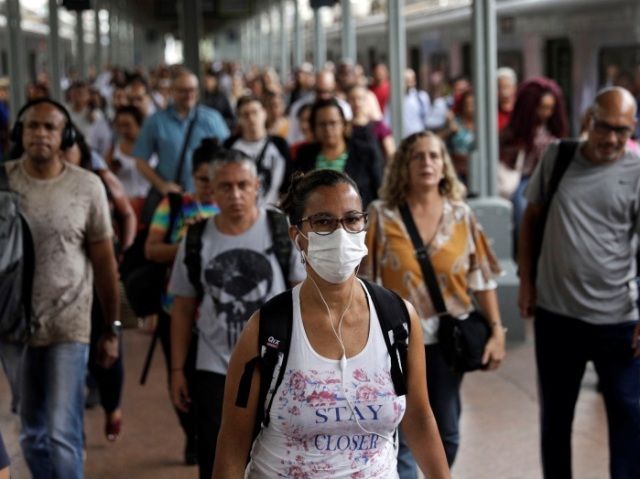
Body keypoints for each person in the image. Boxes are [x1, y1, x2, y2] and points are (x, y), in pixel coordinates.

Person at [212, 168, 451, 478]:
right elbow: (232, 443)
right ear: (297, 236)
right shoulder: (268, 329)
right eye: (323, 222)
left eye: (351, 219)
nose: (341, 233)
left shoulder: (398, 320)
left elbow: (419, 418)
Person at [361, 131, 505, 475]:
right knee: (405, 436)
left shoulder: (461, 215)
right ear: (403, 167)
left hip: (446, 344)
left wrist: (497, 330)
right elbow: (365, 281)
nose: (427, 163)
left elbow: (481, 279)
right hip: (395, 343)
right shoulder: (382, 215)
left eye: (434, 156)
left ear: (444, 167)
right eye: (418, 156)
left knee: (449, 433)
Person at [518, 86, 640, 479]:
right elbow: (531, 220)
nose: (611, 139)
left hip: (618, 319)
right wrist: (526, 284)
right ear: (589, 119)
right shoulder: (558, 156)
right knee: (555, 420)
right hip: (558, 316)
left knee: (629, 420)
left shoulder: (637, 173)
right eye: (604, 127)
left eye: (622, 130)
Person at [169, 149, 305, 479]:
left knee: (277, 451)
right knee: (217, 452)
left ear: (257, 186)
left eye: (243, 185)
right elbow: (184, 306)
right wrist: (177, 369)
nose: (235, 194)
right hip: (215, 365)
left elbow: (301, 298)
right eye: (225, 186)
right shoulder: (197, 239)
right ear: (211, 190)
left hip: (276, 362)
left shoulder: (280, 229)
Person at [5, 98, 119, 478]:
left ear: (65, 134)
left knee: (62, 434)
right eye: (32, 126)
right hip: (13, 328)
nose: (40, 134)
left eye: (50, 127)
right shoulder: (3, 182)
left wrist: (111, 327)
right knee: (31, 434)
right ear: (19, 133)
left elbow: (104, 262)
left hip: (69, 326)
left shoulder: (87, 186)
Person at [144, 138, 221, 466]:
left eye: (213, 179)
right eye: (202, 178)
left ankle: (209, 436)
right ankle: (192, 434)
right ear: (193, 177)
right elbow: (152, 249)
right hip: (176, 311)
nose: (209, 186)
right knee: (181, 375)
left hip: (218, 317)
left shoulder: (233, 210)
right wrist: (192, 245)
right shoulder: (174, 206)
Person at [63, 126, 136, 443]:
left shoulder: (100, 180)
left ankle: (112, 407)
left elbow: (127, 215)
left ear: (81, 151)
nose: (61, 156)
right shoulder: (46, 185)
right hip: (66, 285)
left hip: (102, 278)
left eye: (67, 149)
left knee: (108, 342)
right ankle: (72, 425)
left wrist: (123, 252)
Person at [133, 68, 230, 197]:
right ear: (171, 91)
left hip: (207, 197)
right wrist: (161, 184)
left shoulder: (212, 119)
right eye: (183, 90)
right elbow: (140, 160)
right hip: (172, 195)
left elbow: (228, 154)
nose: (189, 94)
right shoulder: (156, 121)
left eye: (192, 90)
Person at [499, 77, 568, 236]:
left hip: (546, 180)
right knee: (522, 212)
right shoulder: (513, 131)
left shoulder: (552, 130)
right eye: (541, 108)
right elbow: (506, 158)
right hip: (522, 179)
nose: (546, 113)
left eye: (550, 108)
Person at [294, 98, 385, 208]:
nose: (328, 129)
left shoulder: (365, 153)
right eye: (322, 124)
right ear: (314, 127)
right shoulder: (304, 155)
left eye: (333, 123)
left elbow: (380, 191)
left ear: (344, 124)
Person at [223, 94, 291, 207]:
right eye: (245, 114)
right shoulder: (230, 146)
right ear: (239, 119)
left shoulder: (280, 144)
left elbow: (289, 179)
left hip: (274, 212)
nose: (251, 118)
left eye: (255, 112)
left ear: (264, 113)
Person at [105, 106, 155, 221]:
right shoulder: (113, 152)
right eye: (120, 126)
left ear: (139, 124)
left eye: (128, 125)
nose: (123, 131)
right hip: (123, 207)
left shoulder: (153, 150)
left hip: (149, 206)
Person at [287, 70, 353, 145]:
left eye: (328, 91)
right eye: (319, 91)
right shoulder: (298, 107)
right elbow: (292, 137)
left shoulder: (344, 108)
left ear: (334, 88)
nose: (324, 96)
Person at [347, 83, 396, 161]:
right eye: (353, 99)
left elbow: (391, 155)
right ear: (348, 101)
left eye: (360, 98)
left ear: (366, 100)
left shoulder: (379, 126)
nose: (357, 103)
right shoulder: (344, 127)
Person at [440, 89, 475, 185]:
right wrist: (449, 131)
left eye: (473, 104)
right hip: (457, 169)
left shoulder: (481, 124)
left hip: (476, 169)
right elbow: (437, 139)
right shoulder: (455, 122)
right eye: (467, 104)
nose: (470, 107)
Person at [497, 67, 518, 131]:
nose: (503, 91)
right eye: (500, 87)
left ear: (514, 88)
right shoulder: (491, 112)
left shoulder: (519, 110)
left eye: (507, 87)